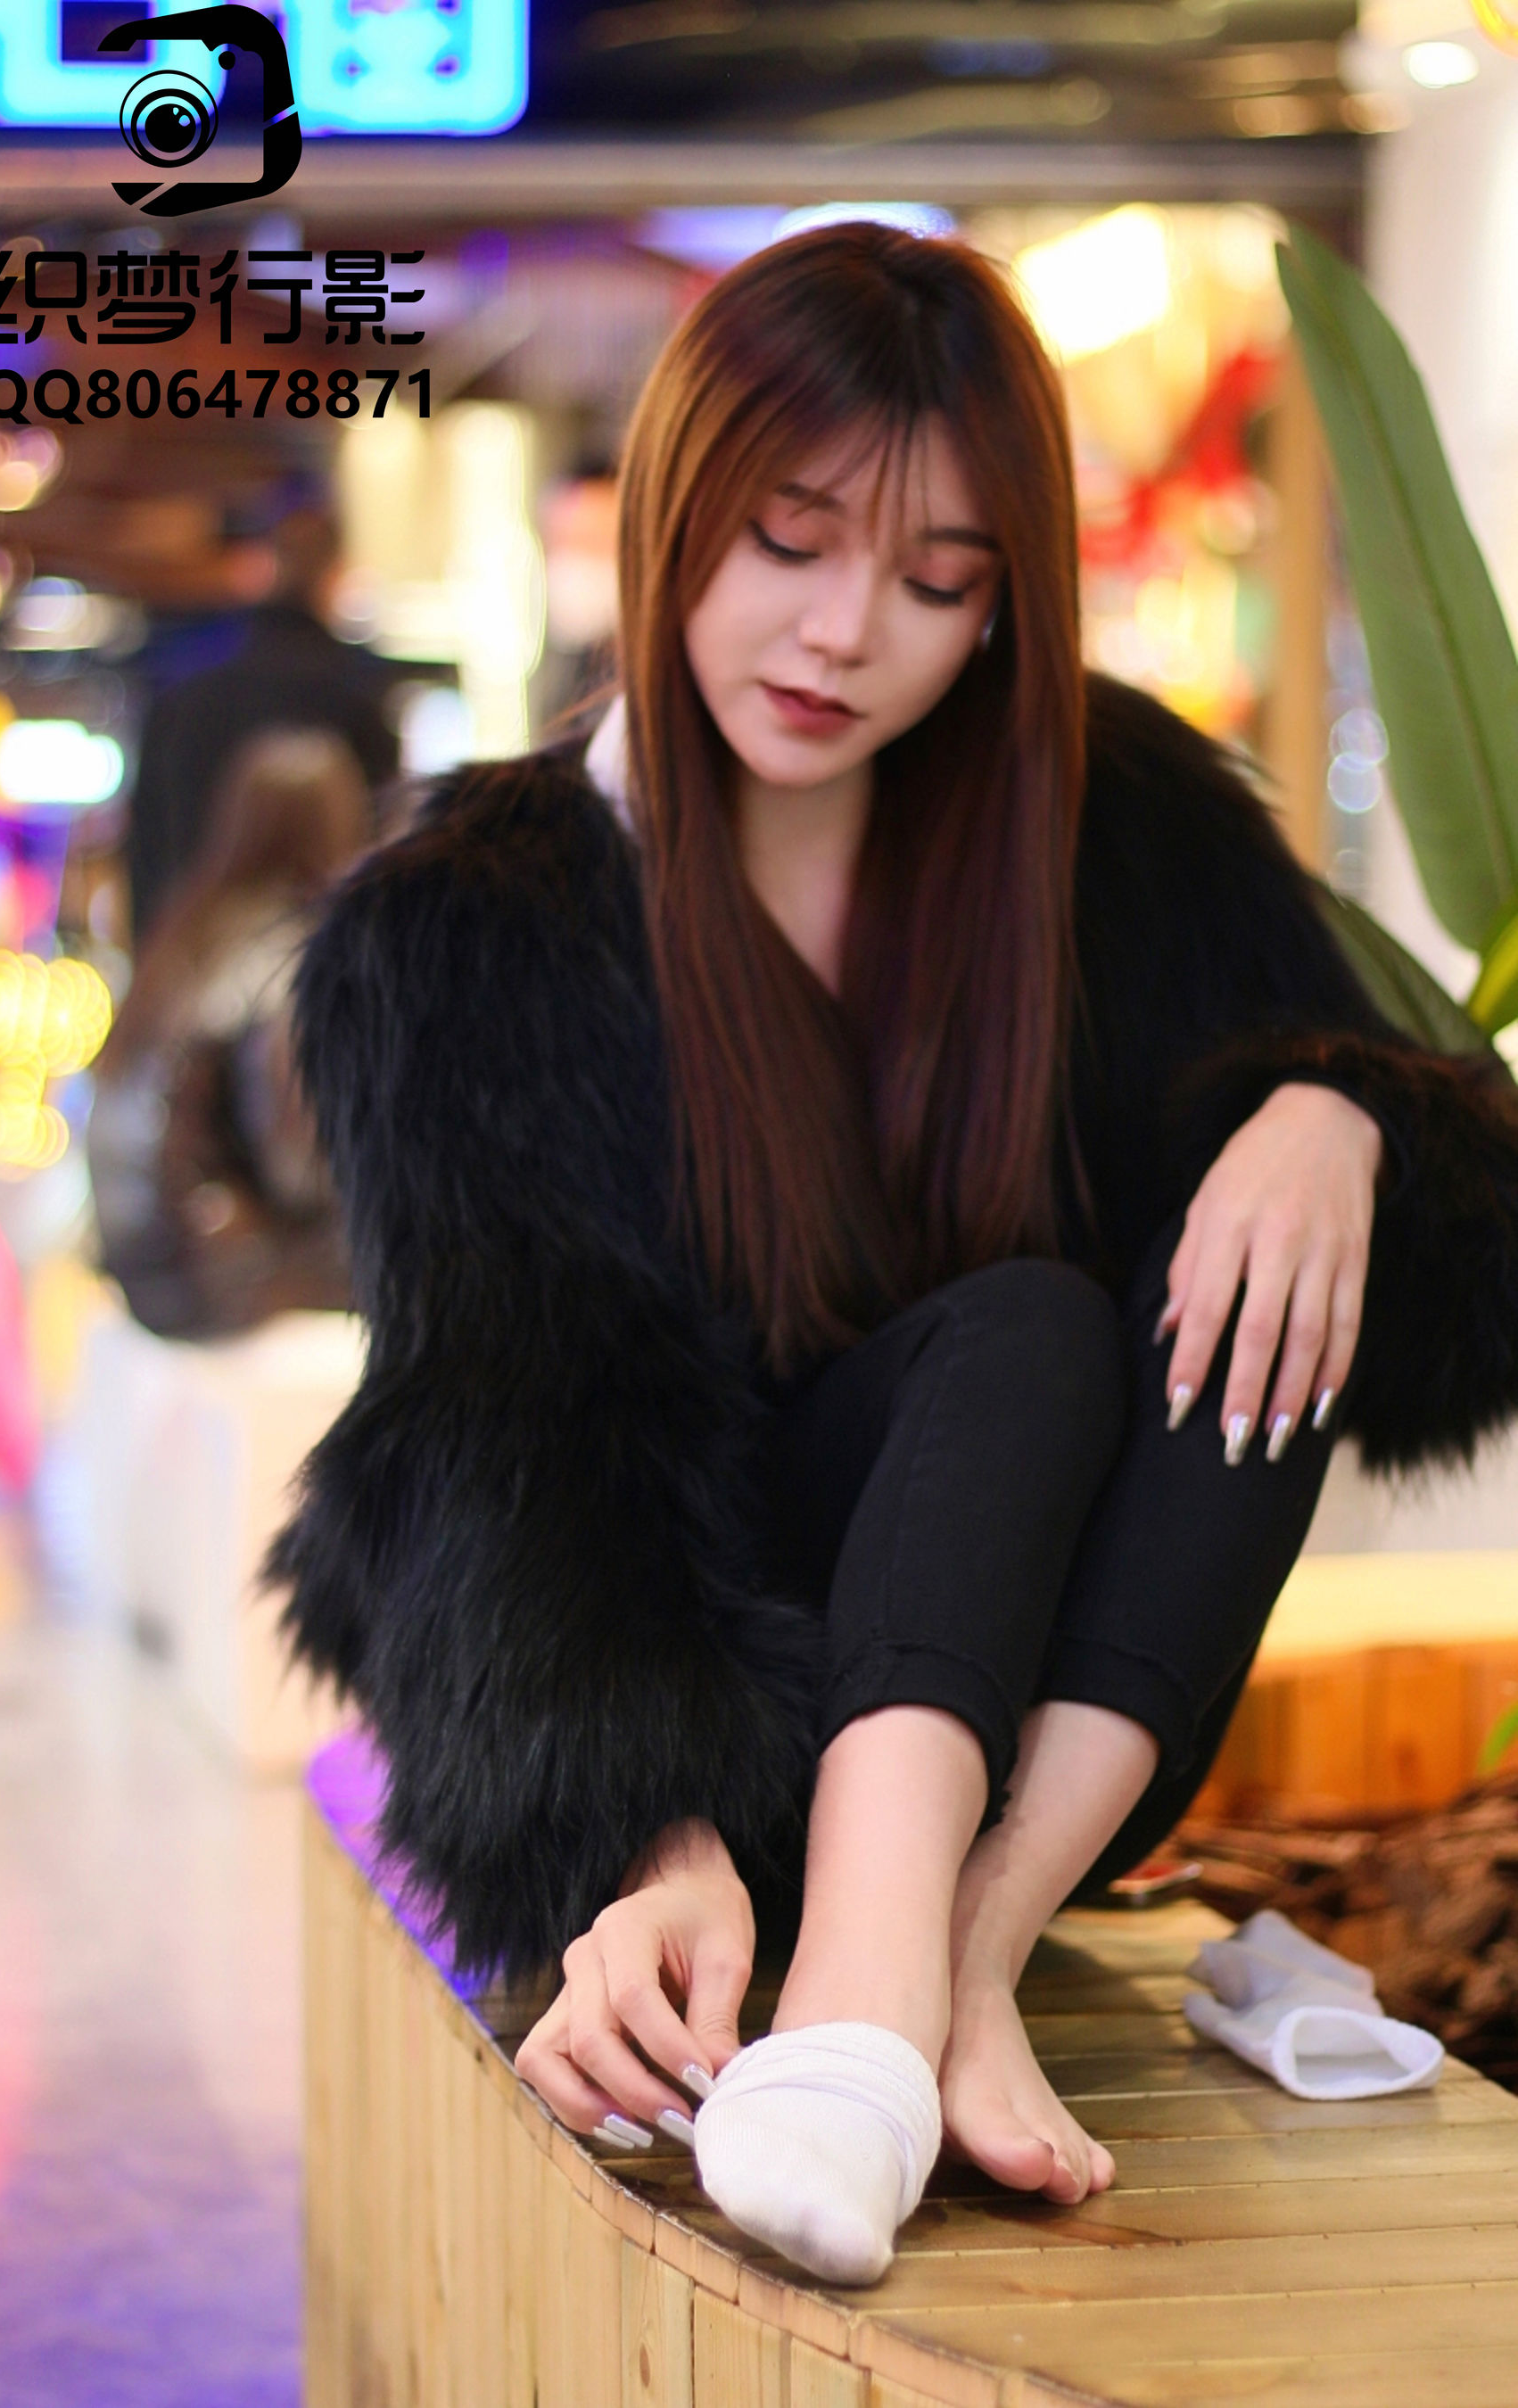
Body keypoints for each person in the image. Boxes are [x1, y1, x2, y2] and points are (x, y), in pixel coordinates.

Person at [268, 225, 1518, 2286]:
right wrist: (654, 1842)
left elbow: (1427, 1290)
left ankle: (940, 1965)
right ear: (676, 506)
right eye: (791, 539)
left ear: (1006, 603)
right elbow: (513, 1442)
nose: (845, 632)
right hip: (712, 1739)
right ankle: (870, 1984)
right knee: (1019, 1334)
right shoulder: (465, 930)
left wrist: (1342, 1112)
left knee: (1262, 1245)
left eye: (940, 581)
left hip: (1050, 1735)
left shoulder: (1117, 827)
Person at [88, 726, 366, 1340]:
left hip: (139, 1271)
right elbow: (299, 1159)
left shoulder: (180, 938)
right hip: (218, 1290)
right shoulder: (298, 956)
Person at [123, 505, 401, 947]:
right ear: (336, 575)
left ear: (262, 568)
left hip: (195, 954)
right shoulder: (358, 697)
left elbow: (146, 849)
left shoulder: (186, 695)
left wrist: (156, 956)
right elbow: (380, 852)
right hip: (321, 956)